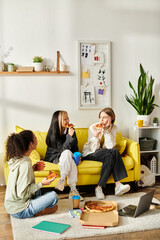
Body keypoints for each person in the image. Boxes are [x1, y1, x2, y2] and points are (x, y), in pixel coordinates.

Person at [4, 130, 58, 219]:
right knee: (54, 198)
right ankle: (35, 211)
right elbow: (22, 194)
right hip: (20, 210)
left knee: (38, 191)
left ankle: (37, 206)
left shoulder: (18, 159)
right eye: (35, 138)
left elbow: (19, 179)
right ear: (31, 144)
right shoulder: (25, 164)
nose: (37, 140)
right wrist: (42, 184)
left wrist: (33, 169)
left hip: (11, 206)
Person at [82, 107, 130, 200]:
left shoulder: (114, 128)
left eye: (104, 117)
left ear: (111, 118)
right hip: (90, 153)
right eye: (100, 117)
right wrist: (96, 136)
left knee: (111, 154)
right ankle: (117, 184)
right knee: (113, 152)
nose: (101, 120)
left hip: (104, 153)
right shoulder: (93, 127)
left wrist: (107, 131)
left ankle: (99, 188)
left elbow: (109, 147)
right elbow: (94, 148)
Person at [44, 110, 82, 199]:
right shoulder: (52, 134)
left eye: (68, 118)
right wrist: (69, 136)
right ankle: (73, 189)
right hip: (54, 157)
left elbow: (75, 147)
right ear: (58, 121)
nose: (68, 121)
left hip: (67, 157)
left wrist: (79, 158)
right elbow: (62, 150)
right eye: (65, 119)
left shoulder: (71, 129)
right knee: (67, 153)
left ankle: (62, 180)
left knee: (69, 155)